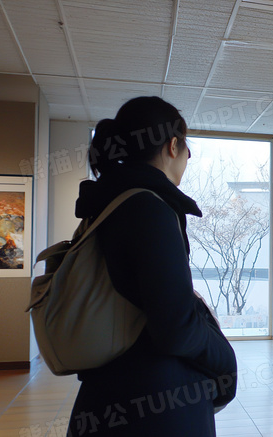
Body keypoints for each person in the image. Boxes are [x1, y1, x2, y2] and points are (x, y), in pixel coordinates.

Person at [69, 96, 237, 436]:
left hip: (107, 387)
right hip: (157, 402)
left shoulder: (107, 202)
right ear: (173, 146)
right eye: (188, 147)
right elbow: (175, 328)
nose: (188, 157)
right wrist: (225, 360)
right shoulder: (150, 208)